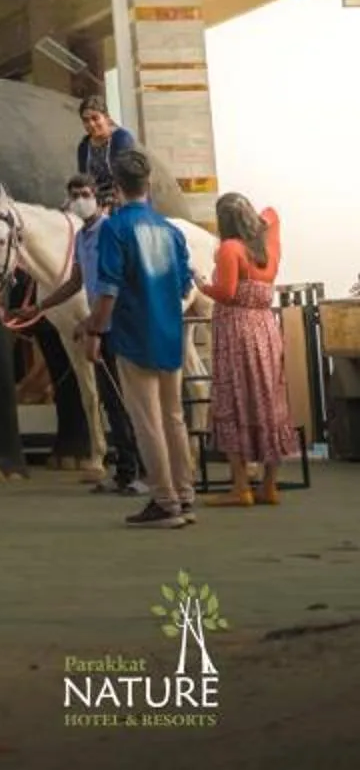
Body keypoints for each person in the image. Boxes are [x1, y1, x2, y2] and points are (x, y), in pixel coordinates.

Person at [83, 148, 195, 528]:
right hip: (170, 334)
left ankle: (163, 502)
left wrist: (94, 330)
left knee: (146, 421)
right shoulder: (171, 230)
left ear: (116, 187)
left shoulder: (114, 228)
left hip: (134, 334)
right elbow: (184, 287)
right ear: (148, 185)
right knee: (175, 417)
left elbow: (109, 289)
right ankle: (184, 494)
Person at [197, 191, 299, 507]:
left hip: (236, 334)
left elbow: (226, 293)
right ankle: (269, 485)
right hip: (265, 330)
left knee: (234, 401)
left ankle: (240, 486)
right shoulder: (268, 248)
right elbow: (273, 213)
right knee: (269, 404)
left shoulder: (230, 249)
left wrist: (201, 284)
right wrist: (259, 221)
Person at [68, 176, 143, 494]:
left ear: (100, 200)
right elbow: (76, 281)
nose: (80, 200)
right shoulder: (80, 237)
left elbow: (111, 285)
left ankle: (140, 471)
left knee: (126, 401)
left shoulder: (109, 232)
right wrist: (38, 307)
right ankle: (125, 470)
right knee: (110, 402)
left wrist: (92, 325)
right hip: (99, 325)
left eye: (85, 194)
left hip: (116, 326)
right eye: (74, 195)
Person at [75, 98, 134, 202]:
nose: (91, 124)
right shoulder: (84, 146)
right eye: (86, 120)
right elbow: (83, 181)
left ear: (106, 118)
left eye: (95, 118)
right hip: (94, 201)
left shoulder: (121, 139)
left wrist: (110, 203)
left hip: (122, 199)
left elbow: (128, 179)